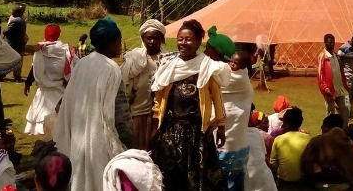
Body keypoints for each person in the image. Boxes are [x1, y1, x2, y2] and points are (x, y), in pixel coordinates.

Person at [150, 19, 230, 191]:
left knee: (196, 180)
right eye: (180, 39)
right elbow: (159, 98)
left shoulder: (208, 67)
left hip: (197, 135)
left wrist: (221, 127)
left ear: (198, 41)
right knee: (170, 178)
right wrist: (156, 122)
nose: (183, 43)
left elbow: (217, 99)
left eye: (188, 39)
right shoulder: (168, 65)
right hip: (170, 133)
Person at [54, 18, 133, 191]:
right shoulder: (111, 69)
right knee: (99, 181)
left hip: (78, 136)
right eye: (119, 41)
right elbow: (120, 113)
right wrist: (130, 143)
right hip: (100, 141)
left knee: (80, 180)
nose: (120, 46)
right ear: (111, 42)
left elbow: (64, 101)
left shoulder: (83, 63)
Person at [121, 19, 166, 150]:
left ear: (162, 39)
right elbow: (125, 89)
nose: (151, 42)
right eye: (148, 38)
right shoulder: (134, 60)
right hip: (137, 114)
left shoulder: (168, 60)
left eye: (156, 38)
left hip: (160, 116)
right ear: (143, 39)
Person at [301, 114, 353, 189]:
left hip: (318, 183)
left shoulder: (315, 140)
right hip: (343, 185)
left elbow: (305, 163)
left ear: (325, 127)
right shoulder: (348, 143)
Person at [24, 24, 76, 136]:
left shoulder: (40, 50)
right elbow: (76, 65)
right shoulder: (66, 50)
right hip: (60, 88)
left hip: (44, 89)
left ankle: (39, 128)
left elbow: (35, 68)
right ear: (59, 34)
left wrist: (28, 83)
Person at [219, 50, 253, 191]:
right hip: (235, 131)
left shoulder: (238, 78)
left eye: (236, 63)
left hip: (233, 129)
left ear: (244, 66)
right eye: (231, 60)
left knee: (228, 173)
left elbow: (217, 79)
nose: (232, 64)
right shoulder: (238, 73)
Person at [269, 107, 309, 189]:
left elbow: (273, 165)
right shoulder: (308, 138)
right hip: (303, 182)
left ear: (286, 124)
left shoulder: (279, 139)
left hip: (284, 183)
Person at [317, 33, 349, 129]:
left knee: (344, 110)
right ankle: (328, 133)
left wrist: (345, 85)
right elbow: (320, 75)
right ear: (325, 43)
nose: (332, 45)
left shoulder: (336, 56)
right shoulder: (323, 57)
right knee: (330, 113)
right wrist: (325, 89)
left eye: (333, 43)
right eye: (330, 43)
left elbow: (341, 72)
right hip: (329, 90)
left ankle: (343, 132)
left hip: (339, 90)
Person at [337, 35, 353, 119]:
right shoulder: (343, 48)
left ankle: (343, 106)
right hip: (347, 74)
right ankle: (349, 114)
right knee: (351, 93)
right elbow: (338, 60)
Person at [3, 5, 27, 81]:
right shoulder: (22, 20)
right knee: (18, 60)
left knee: (6, 59)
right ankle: (17, 75)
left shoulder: (15, 21)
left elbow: (7, 31)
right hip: (20, 43)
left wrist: (4, 31)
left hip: (12, 43)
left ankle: (1, 74)